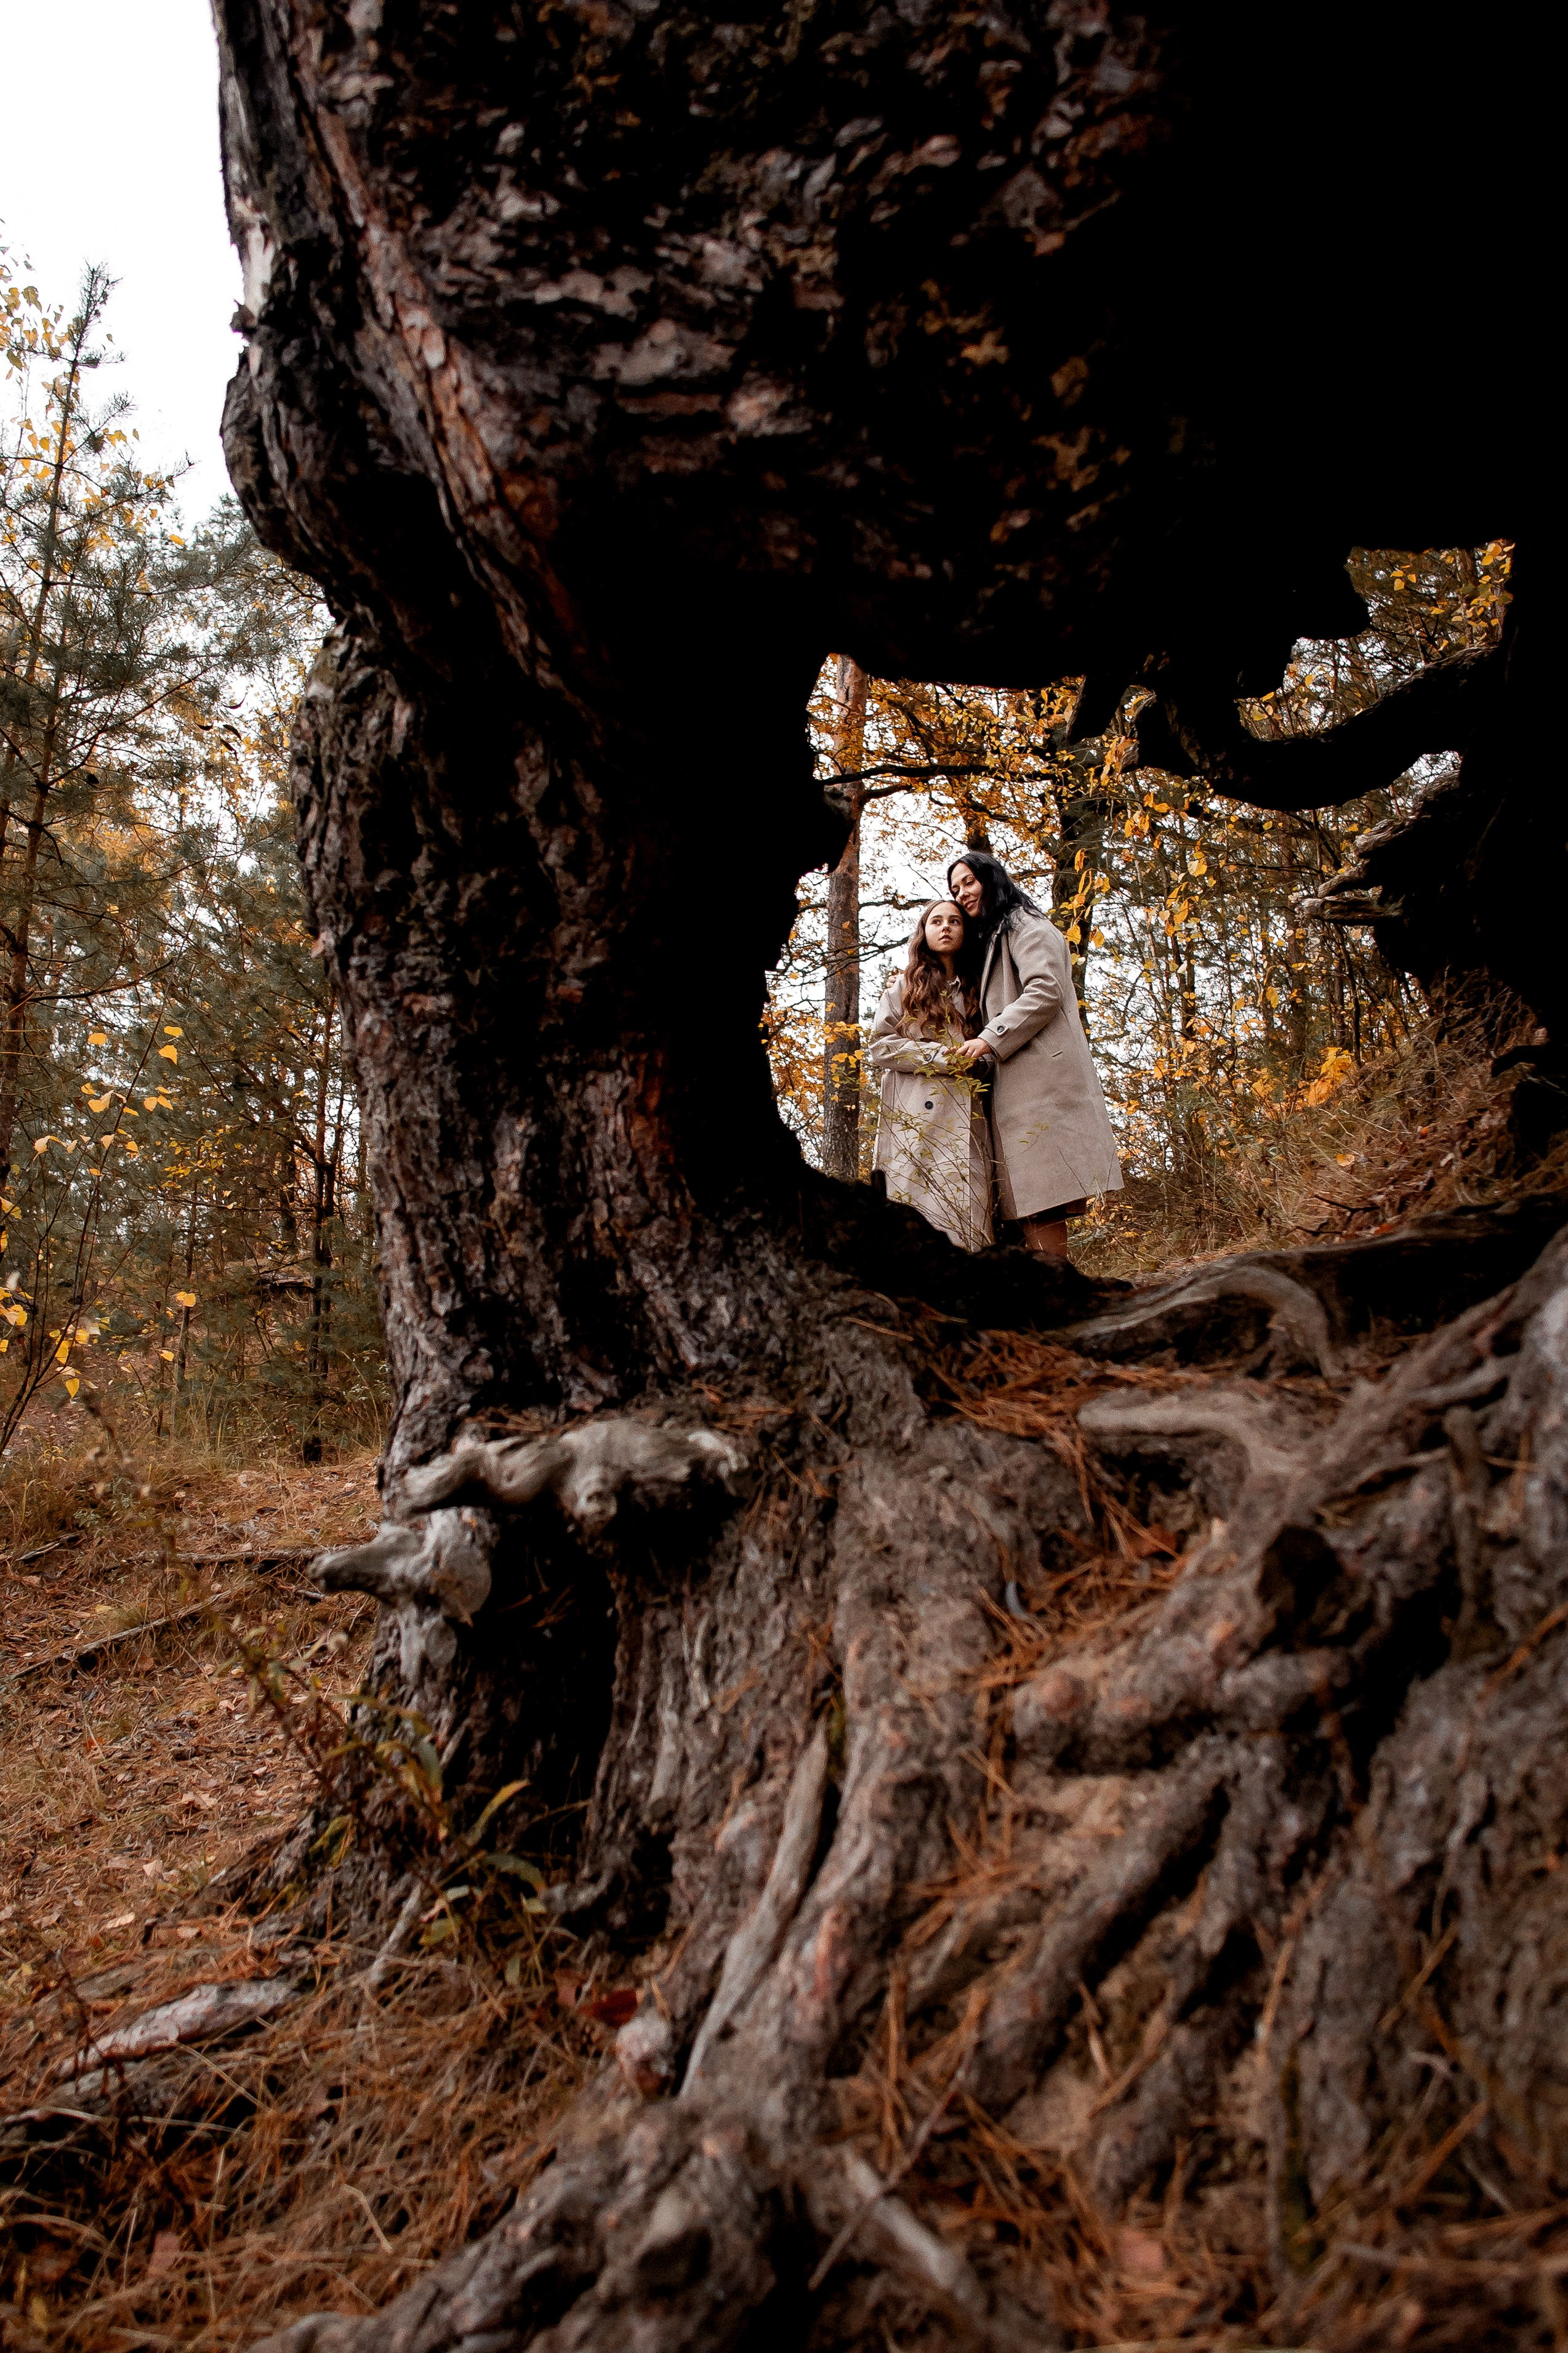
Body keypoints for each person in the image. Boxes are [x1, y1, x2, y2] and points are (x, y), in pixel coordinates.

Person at [947, 849, 1123, 1260]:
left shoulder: (1026, 925)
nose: (961, 894)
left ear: (991, 879)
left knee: (1039, 1199)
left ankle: (1059, 1293)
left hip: (1040, 1081)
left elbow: (1045, 990)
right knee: (1024, 1202)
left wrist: (990, 1039)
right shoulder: (994, 936)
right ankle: (1048, 1295)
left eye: (968, 882)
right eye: (954, 889)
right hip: (1017, 1084)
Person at [864, 899, 994, 1252]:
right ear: (924, 932)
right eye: (936, 921)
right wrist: (941, 1057)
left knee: (970, 1204)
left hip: (969, 1113)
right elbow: (880, 1046)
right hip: (916, 1114)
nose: (946, 927)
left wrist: (982, 1059)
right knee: (917, 1204)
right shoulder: (905, 986)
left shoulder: (980, 987)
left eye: (955, 921)